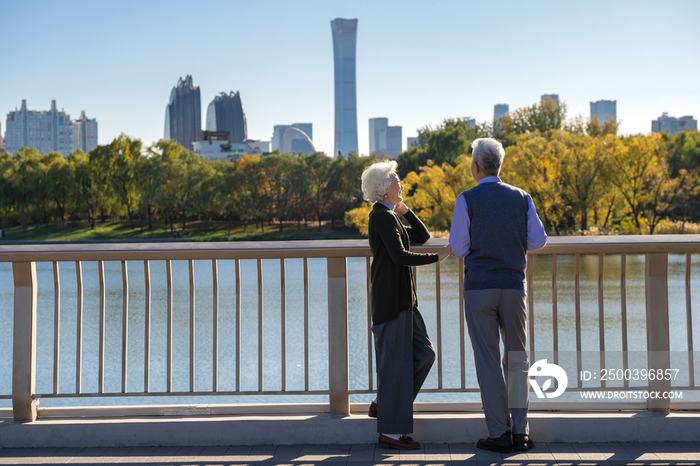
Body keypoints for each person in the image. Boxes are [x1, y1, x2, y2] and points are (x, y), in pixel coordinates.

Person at [449, 138, 547, 453]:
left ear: (475, 167)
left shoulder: (467, 199)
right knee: (518, 359)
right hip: (514, 287)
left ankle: (499, 433)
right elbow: (539, 241)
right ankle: (521, 433)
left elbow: (460, 248)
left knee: (489, 362)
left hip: (479, 289)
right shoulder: (522, 197)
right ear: (500, 166)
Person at [361, 161, 451, 450]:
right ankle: (390, 432)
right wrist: (436, 259)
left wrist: (406, 210)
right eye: (396, 181)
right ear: (384, 187)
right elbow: (400, 256)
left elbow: (422, 237)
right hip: (391, 301)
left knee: (425, 353)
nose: (401, 185)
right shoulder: (379, 218)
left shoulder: (392, 216)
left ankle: (384, 403)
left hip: (406, 301)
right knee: (393, 366)